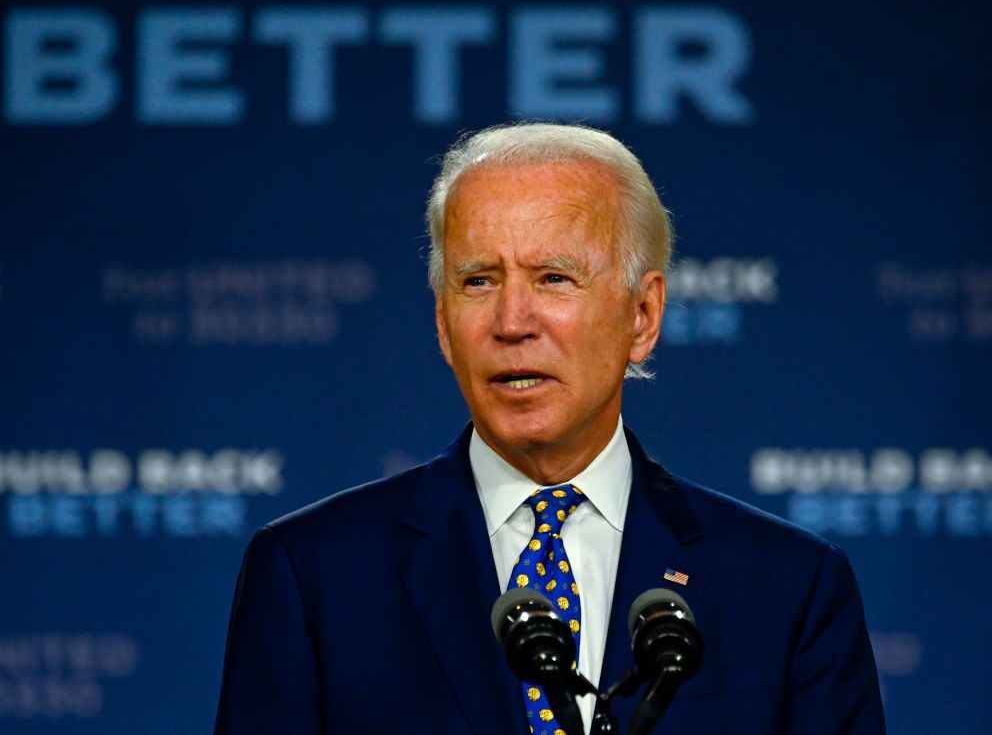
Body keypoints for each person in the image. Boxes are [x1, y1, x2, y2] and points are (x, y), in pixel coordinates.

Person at [214, 123, 885, 735]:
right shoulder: (313, 575)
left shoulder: (789, 586)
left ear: (643, 316)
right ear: (444, 324)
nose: (512, 321)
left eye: (554, 278)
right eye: (478, 281)